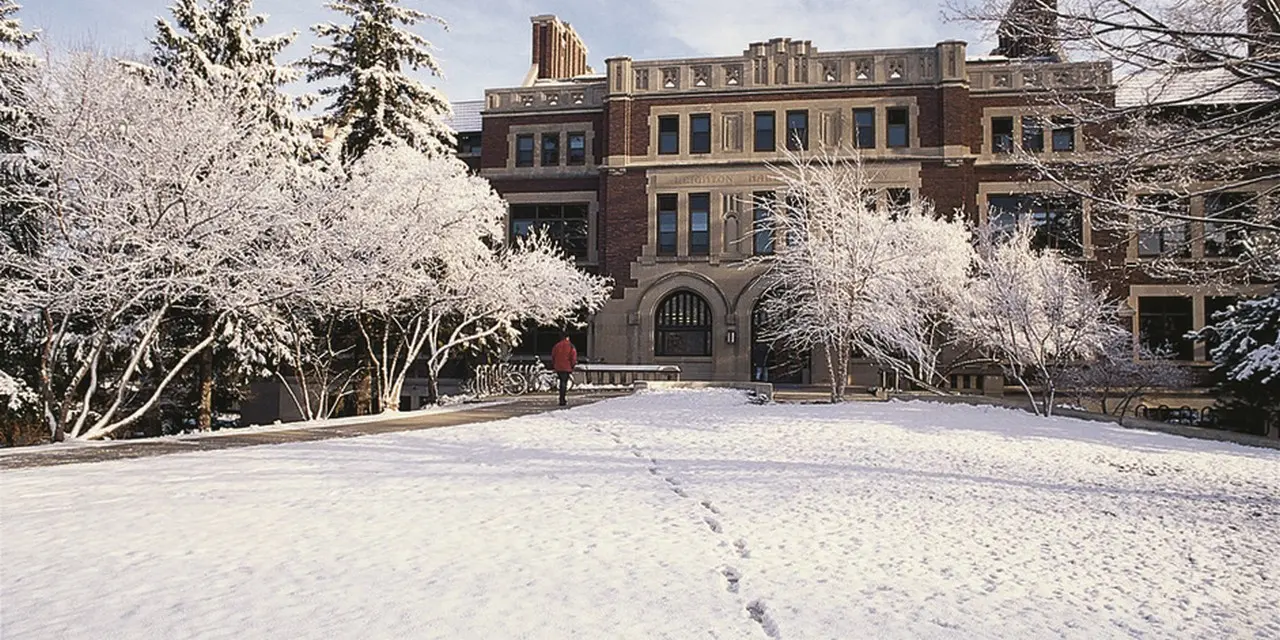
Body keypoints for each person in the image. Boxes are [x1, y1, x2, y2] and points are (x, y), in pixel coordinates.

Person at [550, 333, 578, 406]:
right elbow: (573, 357)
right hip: (567, 367)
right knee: (564, 382)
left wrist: (554, 364)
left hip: (558, 366)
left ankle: (561, 398)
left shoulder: (557, 346)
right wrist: (572, 365)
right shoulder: (570, 346)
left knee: (561, 382)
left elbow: (553, 356)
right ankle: (562, 399)